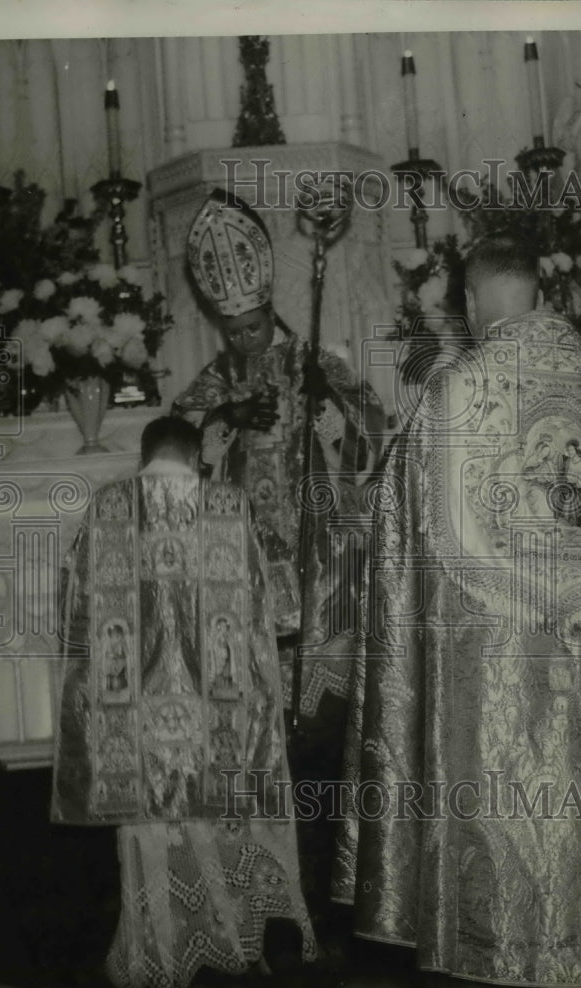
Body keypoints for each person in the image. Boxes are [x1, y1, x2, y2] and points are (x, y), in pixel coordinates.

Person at [333, 235, 581, 986]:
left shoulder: (448, 400)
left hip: (495, 665)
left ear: (468, 305)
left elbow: (396, 553)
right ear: (539, 292)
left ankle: (509, 954)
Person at [52, 415, 315, 988]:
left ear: (142, 457)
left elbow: (71, 615)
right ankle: (234, 939)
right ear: (196, 455)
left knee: (154, 826)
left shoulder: (105, 509)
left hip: (137, 716)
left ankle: (162, 950)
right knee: (222, 815)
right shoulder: (230, 503)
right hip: (215, 708)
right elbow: (287, 610)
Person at [172, 189, 385, 734]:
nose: (246, 340)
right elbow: (179, 440)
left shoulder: (309, 360)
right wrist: (227, 417)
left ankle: (322, 738)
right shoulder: (220, 377)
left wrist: (326, 401)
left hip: (312, 533)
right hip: (244, 532)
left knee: (324, 681)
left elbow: (368, 421)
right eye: (235, 332)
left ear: (271, 312)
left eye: (255, 328)